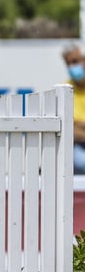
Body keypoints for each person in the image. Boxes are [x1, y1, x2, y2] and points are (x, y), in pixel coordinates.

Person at [62, 43, 85, 174]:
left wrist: (78, 126)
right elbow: (69, 129)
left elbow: (75, 127)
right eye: (68, 64)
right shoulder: (65, 89)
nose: (72, 67)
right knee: (80, 161)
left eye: (75, 61)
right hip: (76, 147)